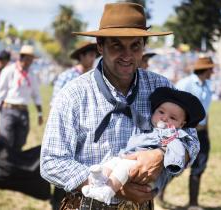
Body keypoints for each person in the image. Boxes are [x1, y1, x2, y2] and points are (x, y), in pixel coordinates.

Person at [40, 3, 200, 210]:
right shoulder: (74, 94)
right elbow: (52, 162)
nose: (127, 55)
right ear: (100, 45)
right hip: (87, 205)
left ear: (144, 46)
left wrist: (161, 156)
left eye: (135, 46)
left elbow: (192, 140)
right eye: (117, 46)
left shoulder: (161, 88)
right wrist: (112, 185)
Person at [81, 87, 206, 205]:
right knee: (113, 162)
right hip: (128, 158)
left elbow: (179, 153)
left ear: (182, 124)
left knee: (124, 166)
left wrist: (165, 157)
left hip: (146, 174)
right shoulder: (150, 129)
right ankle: (97, 182)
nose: (165, 118)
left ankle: (107, 190)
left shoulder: (174, 136)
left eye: (172, 118)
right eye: (161, 112)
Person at [50, 41, 99, 210]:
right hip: (68, 131)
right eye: (90, 55)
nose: (93, 58)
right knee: (63, 171)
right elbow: (55, 105)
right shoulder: (66, 77)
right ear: (82, 56)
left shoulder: (95, 77)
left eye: (94, 55)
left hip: (89, 135)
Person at [174, 56, 214, 210]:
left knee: (199, 167)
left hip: (202, 133)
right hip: (185, 131)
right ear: (206, 69)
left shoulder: (208, 86)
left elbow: (206, 112)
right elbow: (175, 106)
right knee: (175, 165)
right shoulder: (186, 84)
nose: (213, 71)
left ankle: (193, 204)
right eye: (211, 68)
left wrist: (207, 132)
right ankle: (159, 193)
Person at [0, 45, 43, 151]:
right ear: (22, 57)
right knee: (6, 140)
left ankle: (14, 165)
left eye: (32, 59)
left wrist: (40, 113)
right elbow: (0, 92)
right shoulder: (9, 71)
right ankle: (3, 164)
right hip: (8, 110)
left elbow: (36, 95)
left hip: (23, 112)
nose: (30, 62)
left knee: (20, 142)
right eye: (28, 59)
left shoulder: (32, 74)